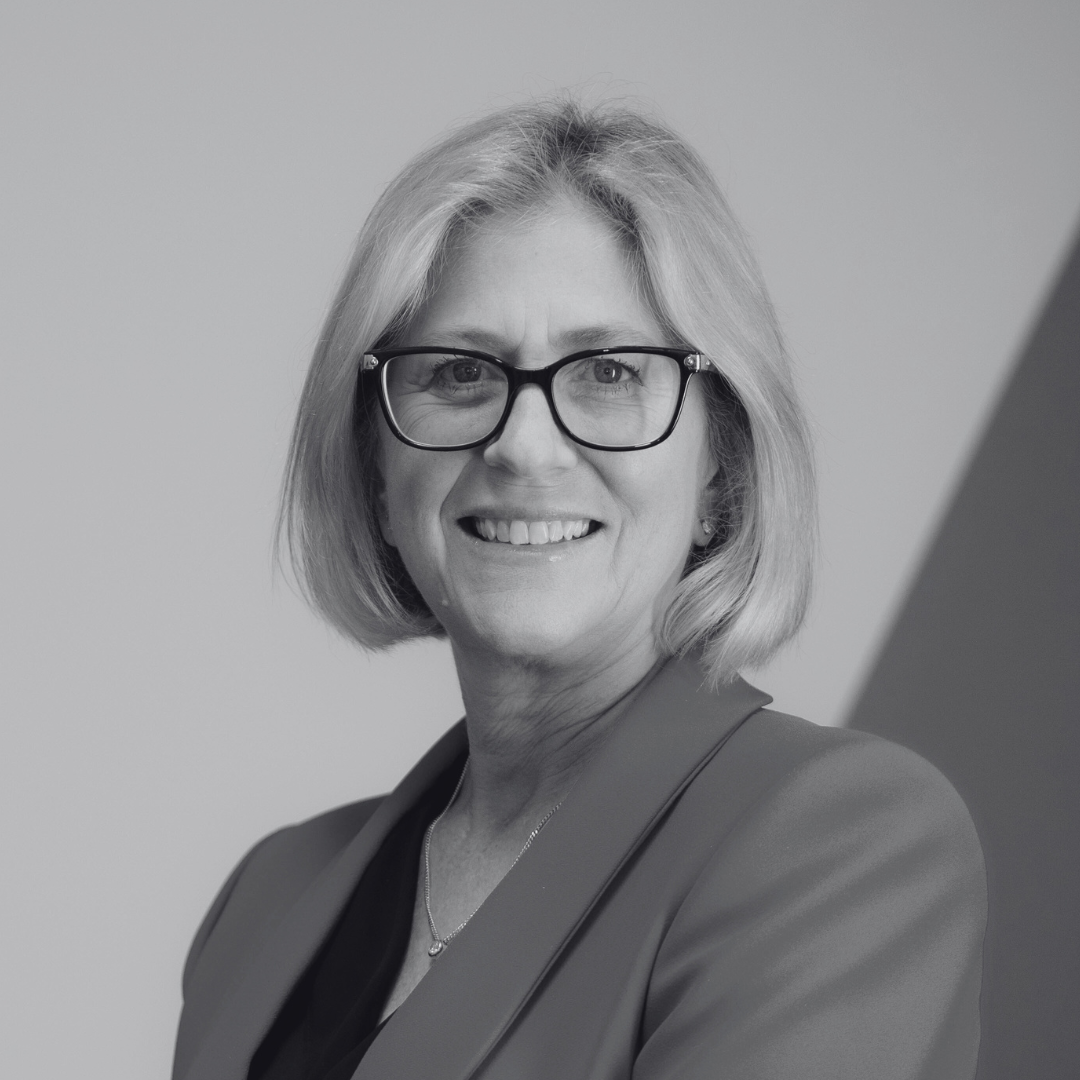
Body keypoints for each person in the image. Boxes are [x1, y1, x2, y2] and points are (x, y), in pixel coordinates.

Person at [171, 99, 986, 1080]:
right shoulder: (269, 899)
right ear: (375, 469)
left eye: (607, 372)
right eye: (458, 373)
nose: (521, 445)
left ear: (721, 464)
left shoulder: (839, 843)